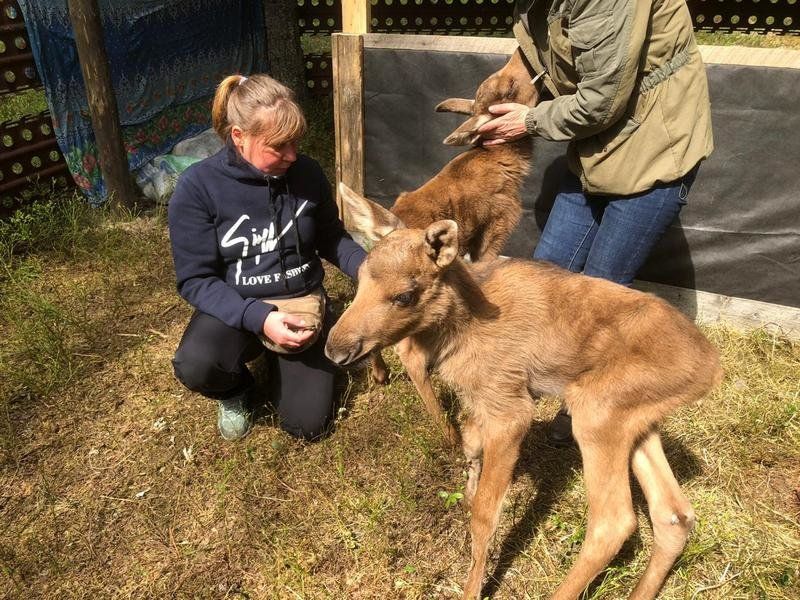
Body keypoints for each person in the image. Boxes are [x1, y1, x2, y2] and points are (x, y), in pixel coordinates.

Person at [478, 0, 713, 445]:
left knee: (600, 295)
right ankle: (514, 391)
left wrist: (527, 121)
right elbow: (540, 45)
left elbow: (601, 100)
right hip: (598, 149)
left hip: (654, 150)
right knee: (544, 272)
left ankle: (587, 404)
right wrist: (506, 83)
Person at [167, 74, 366, 442]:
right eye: (278, 146)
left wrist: (368, 269)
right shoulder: (198, 187)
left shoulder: (305, 173)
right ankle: (234, 389)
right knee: (196, 365)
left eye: (295, 142)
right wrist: (259, 318)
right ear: (239, 136)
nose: (292, 155)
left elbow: (331, 238)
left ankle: (287, 362)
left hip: (300, 301)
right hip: (238, 304)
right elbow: (195, 280)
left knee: (307, 425)